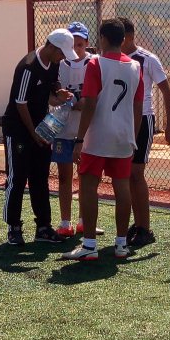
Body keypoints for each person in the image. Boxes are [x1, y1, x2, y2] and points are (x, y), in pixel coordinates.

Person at [61, 19, 143, 261]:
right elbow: (138, 107)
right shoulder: (135, 66)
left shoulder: (96, 63)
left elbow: (90, 104)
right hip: (123, 136)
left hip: (98, 135)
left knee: (88, 185)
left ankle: (89, 245)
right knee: (122, 187)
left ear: (103, 39)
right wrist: (132, 136)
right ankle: (121, 244)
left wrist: (79, 140)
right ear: (123, 39)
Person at [2, 28, 76, 245]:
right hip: (18, 130)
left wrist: (59, 94)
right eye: (61, 53)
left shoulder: (54, 64)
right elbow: (20, 103)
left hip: (41, 129)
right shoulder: (28, 66)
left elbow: (51, 92)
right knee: (17, 178)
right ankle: (14, 227)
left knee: (40, 177)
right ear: (51, 46)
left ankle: (43, 227)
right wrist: (33, 133)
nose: (62, 58)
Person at [119, 16, 170, 250]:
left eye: (120, 36)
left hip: (143, 119)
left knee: (136, 173)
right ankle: (138, 223)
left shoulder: (148, 59)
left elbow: (166, 91)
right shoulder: (113, 58)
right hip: (122, 120)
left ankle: (145, 229)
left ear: (129, 37)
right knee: (126, 174)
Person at [53, 21, 103, 238]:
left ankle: (84, 221)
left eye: (80, 44)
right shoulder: (58, 64)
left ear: (87, 43)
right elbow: (52, 94)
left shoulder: (95, 63)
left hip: (87, 129)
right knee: (64, 176)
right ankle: (65, 222)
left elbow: (101, 92)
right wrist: (63, 99)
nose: (76, 49)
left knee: (87, 176)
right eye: (72, 44)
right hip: (63, 128)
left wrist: (86, 102)